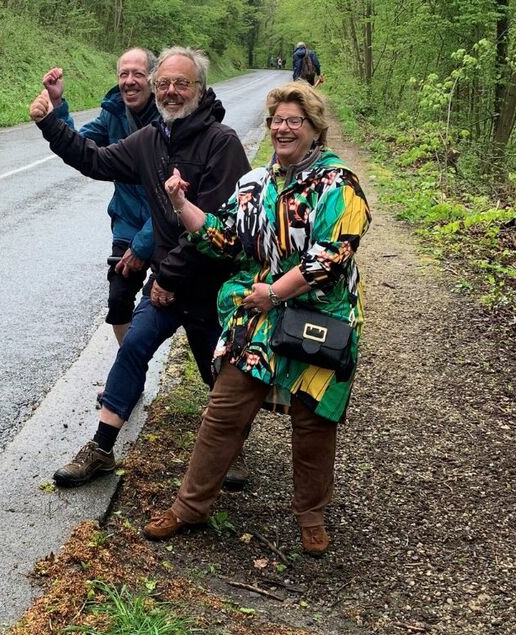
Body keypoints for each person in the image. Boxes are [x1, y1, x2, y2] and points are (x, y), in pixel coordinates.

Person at [143, 81, 370, 555]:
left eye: (294, 121)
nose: (283, 129)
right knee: (225, 408)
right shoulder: (256, 183)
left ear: (314, 129)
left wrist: (276, 292)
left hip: (318, 314)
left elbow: (333, 254)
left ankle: (311, 516)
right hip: (258, 313)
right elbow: (222, 239)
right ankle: (190, 507)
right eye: (276, 121)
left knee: (312, 420)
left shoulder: (339, 183)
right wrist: (182, 204)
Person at [29, 47, 252, 488]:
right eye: (164, 83)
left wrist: (167, 276)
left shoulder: (221, 144)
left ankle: (232, 450)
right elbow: (96, 159)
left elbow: (220, 225)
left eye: (181, 83)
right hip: (165, 286)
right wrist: (51, 123)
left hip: (210, 285)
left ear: (199, 89)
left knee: (218, 371)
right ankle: (101, 448)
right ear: (156, 88)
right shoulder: (150, 140)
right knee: (133, 349)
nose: (171, 91)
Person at [43, 49, 160, 351]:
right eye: (124, 74)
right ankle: (131, 373)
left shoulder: (170, 118)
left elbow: (176, 200)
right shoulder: (114, 111)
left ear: (154, 78)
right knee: (119, 300)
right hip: (127, 221)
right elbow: (80, 146)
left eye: (138, 74)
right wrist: (57, 104)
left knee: (170, 304)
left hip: (168, 225)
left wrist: (142, 246)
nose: (129, 81)